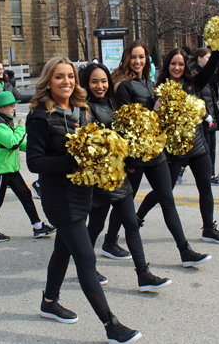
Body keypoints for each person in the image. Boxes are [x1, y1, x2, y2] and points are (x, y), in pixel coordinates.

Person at [26, 56, 142, 344]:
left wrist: (115, 157)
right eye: (58, 77)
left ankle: (49, 301)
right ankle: (111, 325)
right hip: (59, 197)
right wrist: (72, 160)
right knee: (86, 259)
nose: (66, 82)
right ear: (48, 82)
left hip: (83, 192)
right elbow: (34, 162)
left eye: (70, 76)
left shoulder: (82, 110)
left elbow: (97, 144)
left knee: (63, 249)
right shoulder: (40, 116)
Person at [111, 41, 216, 263]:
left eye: (142, 57)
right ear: (127, 59)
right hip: (136, 155)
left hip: (155, 152)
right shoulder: (124, 86)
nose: (138, 61)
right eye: (133, 57)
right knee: (125, 199)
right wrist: (128, 158)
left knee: (167, 200)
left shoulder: (151, 85)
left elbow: (157, 120)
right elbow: (122, 123)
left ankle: (185, 251)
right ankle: (110, 240)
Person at [80, 62, 172, 292]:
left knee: (131, 224)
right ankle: (85, 268)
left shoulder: (111, 103)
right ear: (86, 84)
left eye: (103, 81)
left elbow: (123, 135)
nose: (100, 86)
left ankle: (143, 275)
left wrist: (131, 160)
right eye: (94, 81)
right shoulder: (85, 109)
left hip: (119, 174)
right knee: (96, 225)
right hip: (102, 178)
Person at [136, 46, 219, 244]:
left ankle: (208, 228)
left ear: (185, 65)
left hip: (197, 146)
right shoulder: (158, 86)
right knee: (165, 190)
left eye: (180, 63)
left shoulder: (194, 83)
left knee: (205, 187)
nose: (177, 67)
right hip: (172, 150)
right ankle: (137, 218)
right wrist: (155, 108)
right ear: (167, 65)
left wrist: (216, 51)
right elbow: (153, 121)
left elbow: (211, 68)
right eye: (173, 63)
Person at [0, 91, 56, 242]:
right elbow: (13, 142)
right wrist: (22, 127)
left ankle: (38, 226)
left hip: (11, 169)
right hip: (1, 170)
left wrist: (38, 148)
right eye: (10, 106)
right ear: (0, 108)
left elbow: (20, 144)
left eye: (13, 105)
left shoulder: (6, 122)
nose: (13, 108)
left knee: (25, 195)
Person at [191, 48, 219, 186]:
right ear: (199, 58)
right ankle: (209, 175)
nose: (209, 60)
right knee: (205, 148)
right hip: (204, 117)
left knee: (211, 147)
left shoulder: (208, 73)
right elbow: (197, 97)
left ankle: (209, 174)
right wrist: (206, 115)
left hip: (211, 115)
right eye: (207, 57)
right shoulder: (195, 74)